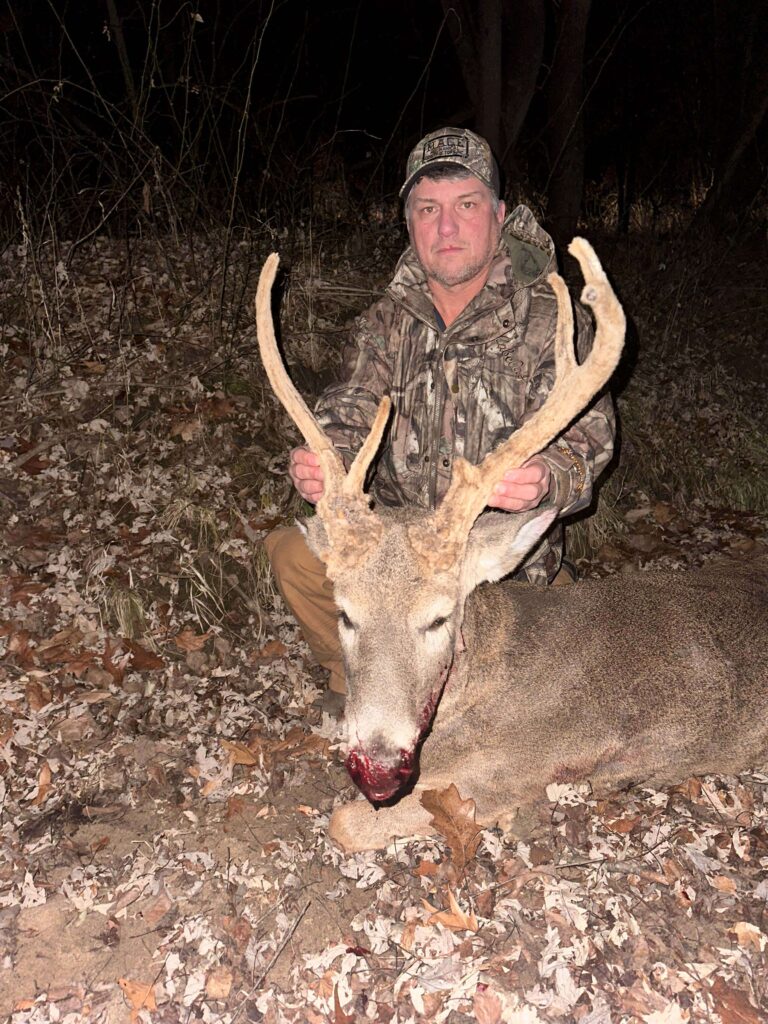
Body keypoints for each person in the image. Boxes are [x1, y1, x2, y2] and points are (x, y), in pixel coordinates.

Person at [265, 127, 616, 713]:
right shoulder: (383, 323)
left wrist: (550, 475)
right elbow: (345, 414)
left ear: (499, 216)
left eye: (466, 206)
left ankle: (449, 688)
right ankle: (364, 677)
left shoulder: (549, 321)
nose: (446, 228)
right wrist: (322, 463)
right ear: (409, 223)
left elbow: (591, 440)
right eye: (428, 209)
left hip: (497, 559)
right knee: (294, 558)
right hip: (397, 551)